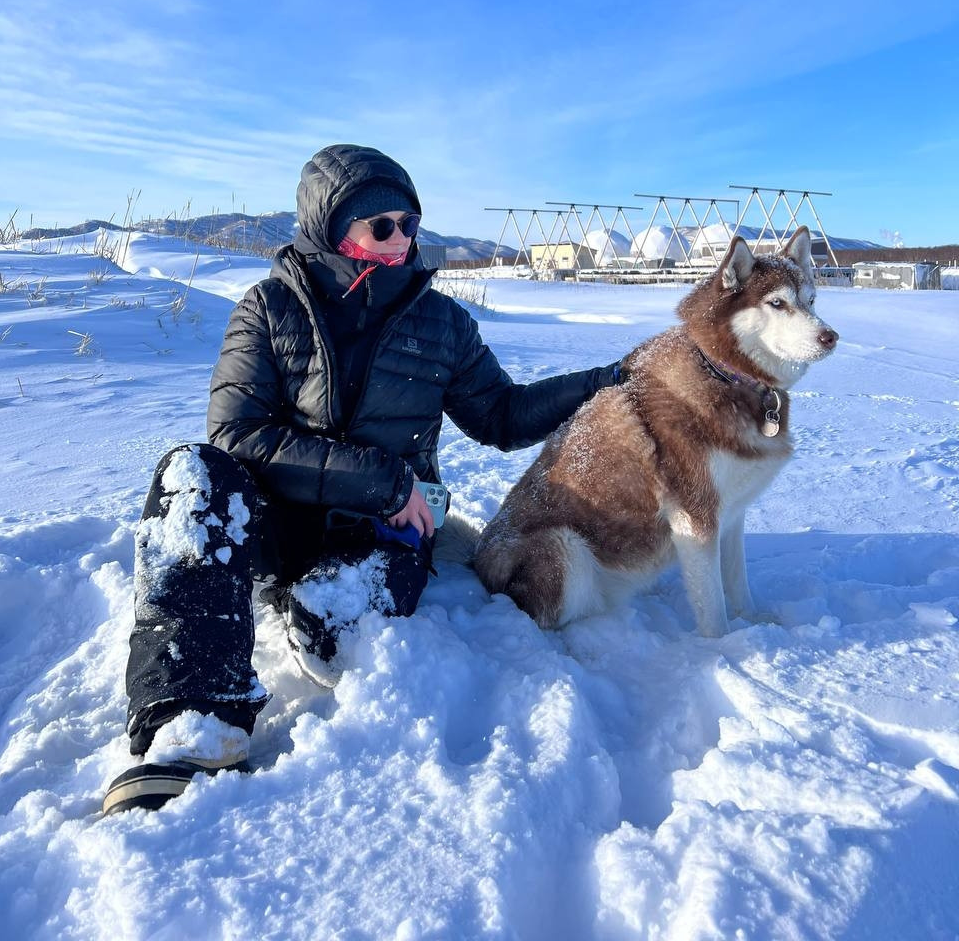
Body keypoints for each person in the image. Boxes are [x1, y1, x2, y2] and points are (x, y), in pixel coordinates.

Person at [103, 144, 623, 814]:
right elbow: (238, 435)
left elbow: (502, 415)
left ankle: (313, 609)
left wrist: (604, 383)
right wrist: (385, 479)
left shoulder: (442, 323)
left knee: (333, 634)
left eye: (409, 223)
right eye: (382, 225)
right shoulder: (269, 309)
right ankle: (193, 723)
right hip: (286, 521)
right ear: (330, 226)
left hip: (382, 532)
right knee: (193, 473)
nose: (401, 238)